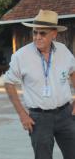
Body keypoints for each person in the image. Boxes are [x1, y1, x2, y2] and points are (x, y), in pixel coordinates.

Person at [4, 9, 75, 159]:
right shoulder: (21, 56)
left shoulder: (63, 51)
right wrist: (23, 115)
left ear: (54, 34)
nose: (37, 37)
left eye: (42, 33)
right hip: (39, 118)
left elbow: (73, 71)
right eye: (35, 32)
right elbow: (9, 83)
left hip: (66, 114)